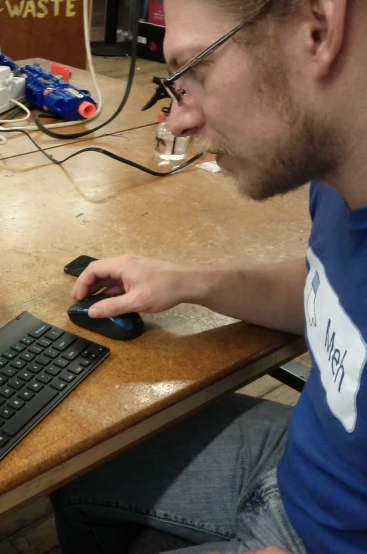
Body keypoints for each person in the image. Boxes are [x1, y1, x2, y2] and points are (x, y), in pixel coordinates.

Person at [50, 0, 367, 552]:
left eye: (195, 71)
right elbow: (335, 296)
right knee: (71, 466)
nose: (176, 120)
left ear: (319, 28)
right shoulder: (340, 174)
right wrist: (191, 282)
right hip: (300, 463)